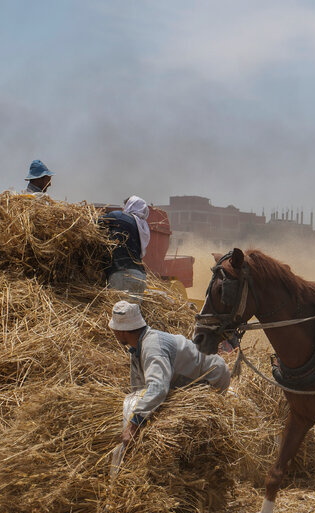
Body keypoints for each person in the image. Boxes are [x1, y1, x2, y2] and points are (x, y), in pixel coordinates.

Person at [108, 300, 231, 474]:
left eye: (113, 328)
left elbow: (158, 388)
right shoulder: (138, 347)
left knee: (195, 426)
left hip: (211, 377)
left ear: (121, 331)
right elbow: (141, 389)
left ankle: (198, 468)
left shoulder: (152, 347)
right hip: (190, 379)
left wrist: (134, 425)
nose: (112, 331)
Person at [99, 196, 150, 301]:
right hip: (140, 276)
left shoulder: (119, 216)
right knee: (132, 314)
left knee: (119, 313)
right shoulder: (143, 227)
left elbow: (94, 223)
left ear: (129, 206)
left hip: (122, 273)